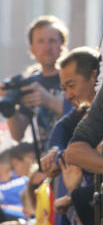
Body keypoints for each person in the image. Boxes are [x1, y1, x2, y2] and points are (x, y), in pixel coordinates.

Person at [2, 18, 70, 148]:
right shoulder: (31, 82)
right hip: (45, 159)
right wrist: (9, 108)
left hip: (72, 155)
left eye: (52, 41)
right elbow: (18, 135)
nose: (47, 47)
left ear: (63, 44)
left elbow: (85, 114)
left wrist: (49, 100)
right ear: (32, 49)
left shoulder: (73, 76)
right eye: (40, 42)